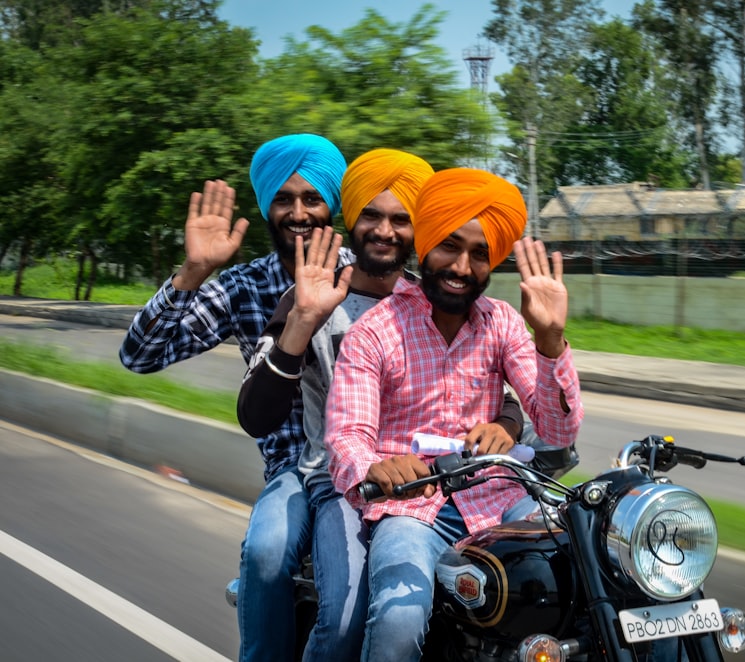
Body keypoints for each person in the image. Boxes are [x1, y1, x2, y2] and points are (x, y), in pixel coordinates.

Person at [236, 149, 525, 660]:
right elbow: (256, 416)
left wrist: (506, 422)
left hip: (430, 483)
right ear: (351, 218)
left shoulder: (434, 297)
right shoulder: (310, 294)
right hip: (329, 477)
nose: (385, 231)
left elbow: (499, 382)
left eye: (402, 219)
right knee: (328, 602)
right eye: (371, 214)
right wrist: (303, 320)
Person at [326, 167, 585, 662]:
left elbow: (557, 430)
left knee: (582, 579)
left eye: (480, 254)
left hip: (502, 499)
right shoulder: (375, 332)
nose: (462, 266)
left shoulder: (503, 323)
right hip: (411, 510)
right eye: (449, 246)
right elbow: (347, 435)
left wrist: (550, 339)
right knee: (400, 619)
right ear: (423, 245)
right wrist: (374, 469)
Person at [118, 133, 348, 662]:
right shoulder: (244, 286)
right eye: (284, 200)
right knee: (267, 553)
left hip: (378, 461)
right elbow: (140, 356)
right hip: (293, 467)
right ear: (267, 208)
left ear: (332, 206)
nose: (298, 213)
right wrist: (194, 272)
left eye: (312, 199)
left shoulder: (367, 275)